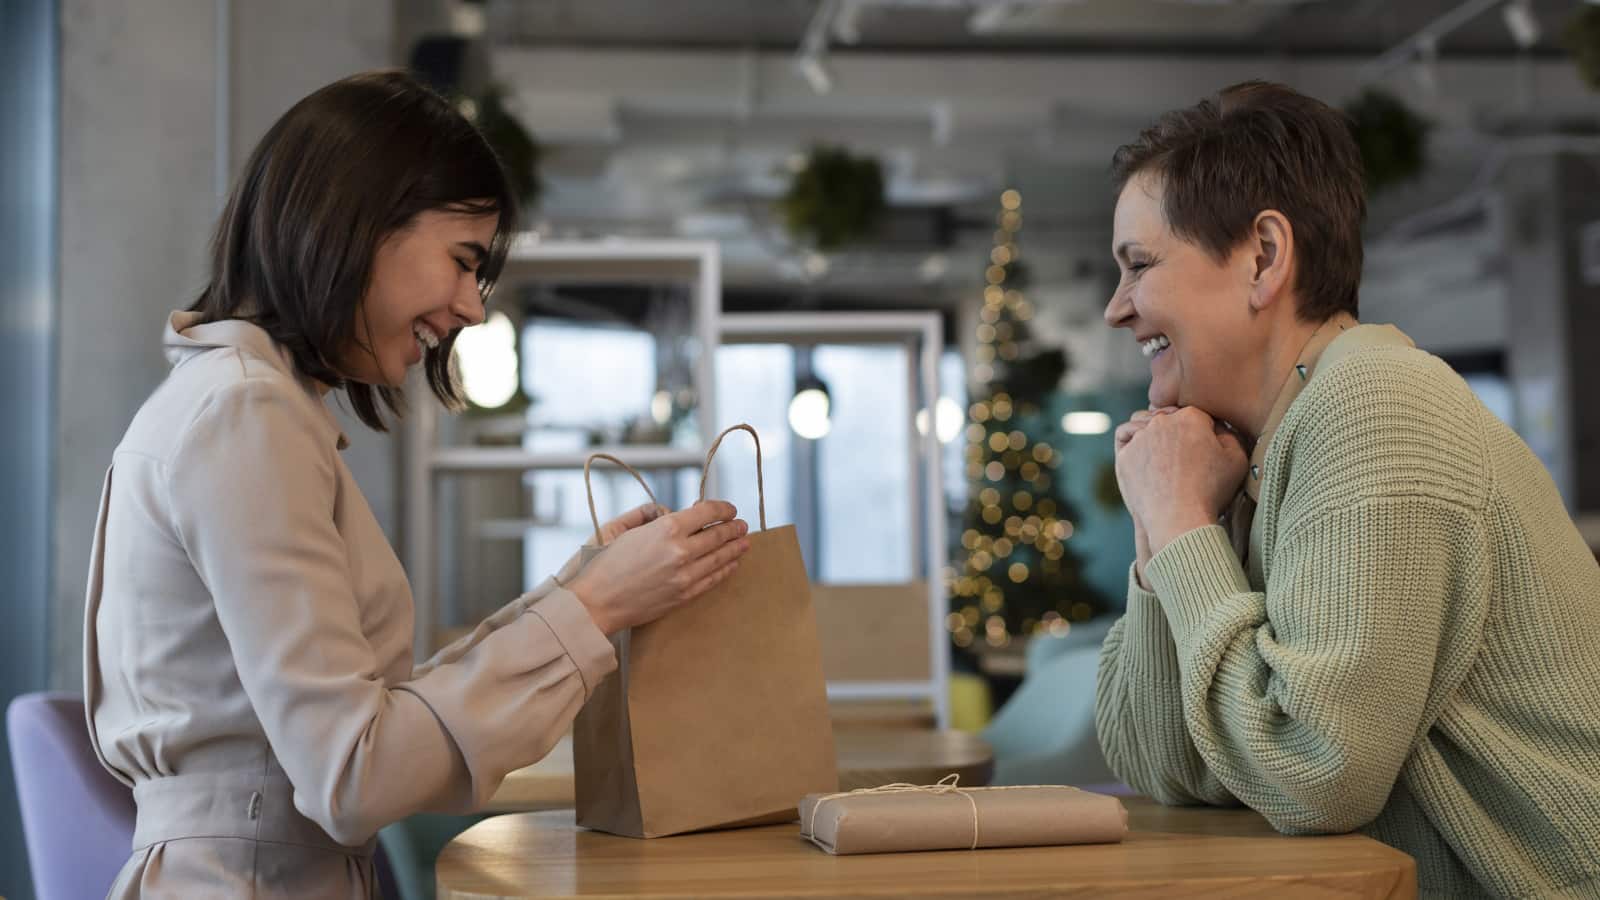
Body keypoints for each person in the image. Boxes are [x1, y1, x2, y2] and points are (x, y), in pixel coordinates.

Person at [83, 70, 750, 897]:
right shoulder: (246, 417)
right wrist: (595, 608)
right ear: (359, 223)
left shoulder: (241, 405)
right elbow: (354, 778)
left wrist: (578, 588)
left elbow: (372, 726)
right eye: (464, 261)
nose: (472, 307)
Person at [1093, 80, 1600, 899]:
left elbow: (1312, 773)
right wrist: (1172, 523)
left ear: (1263, 257)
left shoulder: (1375, 407)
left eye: (1140, 265)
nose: (1116, 309)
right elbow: (1166, 765)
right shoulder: (1258, 445)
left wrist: (1180, 524)